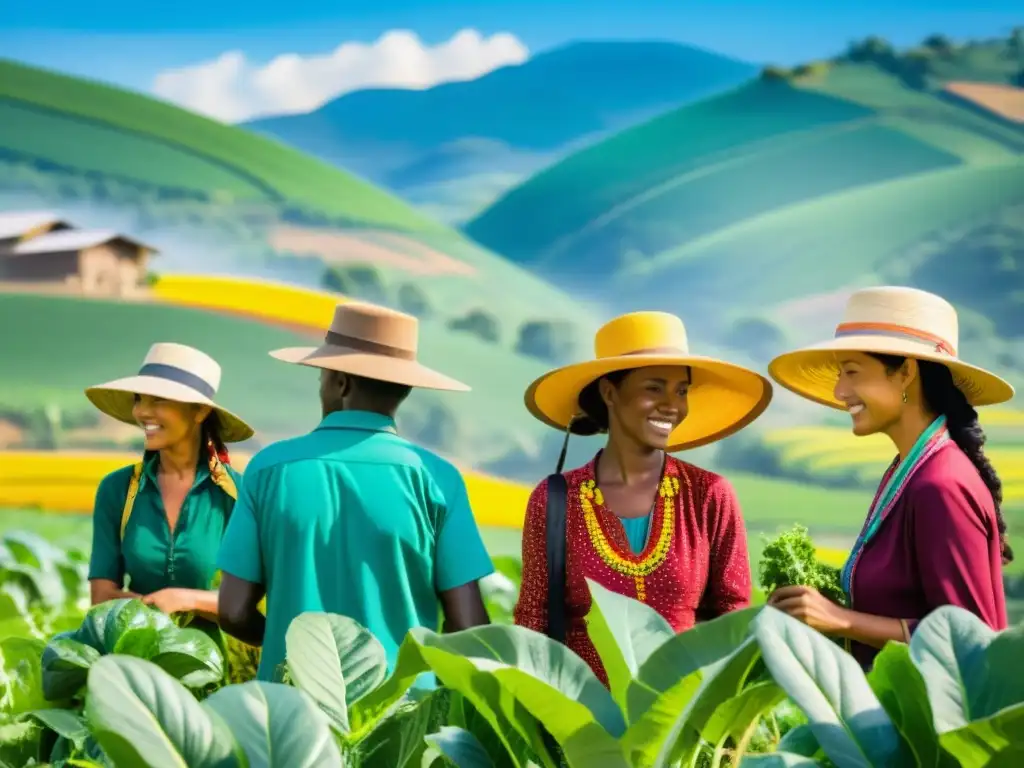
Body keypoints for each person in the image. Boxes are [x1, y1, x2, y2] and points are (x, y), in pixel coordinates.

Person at [216, 300, 494, 683]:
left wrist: (295, 652)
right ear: (406, 388)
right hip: (403, 723)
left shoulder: (269, 469)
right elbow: (468, 626)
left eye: (322, 375)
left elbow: (232, 611)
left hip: (294, 710)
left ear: (341, 382)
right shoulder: (437, 478)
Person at [513, 311, 774, 684]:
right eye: (654, 388)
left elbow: (732, 619)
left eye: (681, 391)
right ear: (610, 392)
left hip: (681, 726)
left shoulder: (709, 496)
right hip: (581, 727)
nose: (673, 405)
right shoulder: (556, 500)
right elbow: (532, 620)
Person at [765, 286, 1014, 669]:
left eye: (851, 372)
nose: (839, 390)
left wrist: (843, 621)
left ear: (905, 373)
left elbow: (970, 638)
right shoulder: (908, 470)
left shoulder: (940, 485)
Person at [85, 342, 254, 645]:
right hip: (134, 657)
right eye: (139, 399)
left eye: (159, 400)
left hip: (222, 671)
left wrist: (184, 599)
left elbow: (252, 605)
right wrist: (154, 612)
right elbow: (101, 598)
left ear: (200, 411)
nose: (142, 412)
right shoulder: (117, 489)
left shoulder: (240, 496)